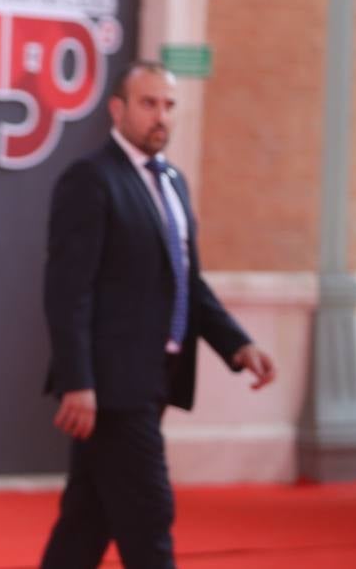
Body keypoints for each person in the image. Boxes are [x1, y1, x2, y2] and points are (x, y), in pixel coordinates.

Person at [40, 60, 276, 568]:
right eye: (148, 104)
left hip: (156, 378)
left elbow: (187, 281)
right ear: (119, 109)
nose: (160, 116)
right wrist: (77, 380)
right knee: (149, 516)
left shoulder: (172, 181)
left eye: (168, 105)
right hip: (111, 388)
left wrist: (238, 344)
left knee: (87, 520)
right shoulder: (91, 179)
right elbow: (67, 290)